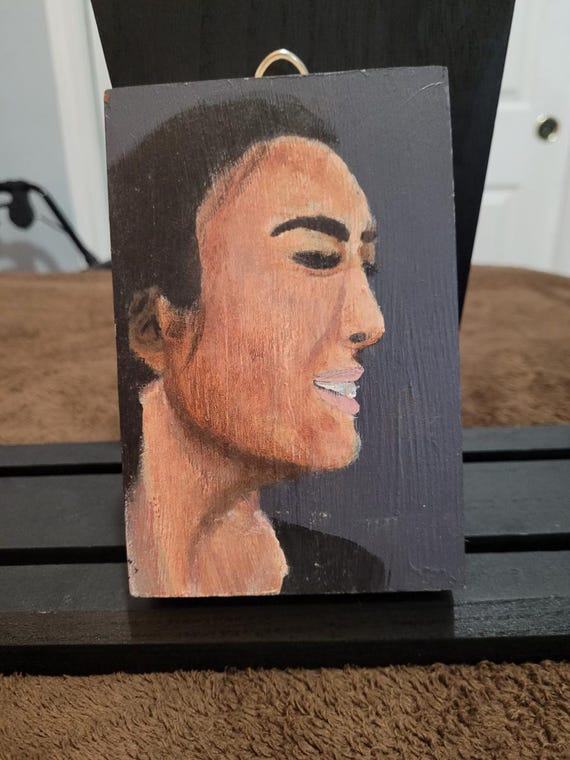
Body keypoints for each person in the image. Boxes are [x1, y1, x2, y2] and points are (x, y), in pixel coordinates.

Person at [109, 97, 385, 597]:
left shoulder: (353, 575)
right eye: (316, 256)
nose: (371, 322)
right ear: (154, 326)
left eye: (365, 264)